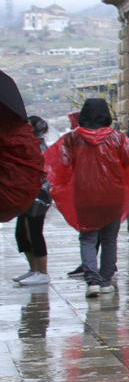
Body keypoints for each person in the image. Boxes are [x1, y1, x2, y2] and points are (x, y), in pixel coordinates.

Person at [45, 98, 129, 297]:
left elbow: (58, 165)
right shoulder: (118, 138)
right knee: (109, 239)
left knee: (88, 238)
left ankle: (92, 280)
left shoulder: (72, 139)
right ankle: (106, 281)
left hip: (85, 196)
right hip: (113, 196)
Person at [12, 116, 50, 287]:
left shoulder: (39, 146)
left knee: (33, 232)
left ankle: (42, 272)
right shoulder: (27, 145)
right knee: (21, 233)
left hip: (39, 193)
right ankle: (33, 269)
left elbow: (43, 170)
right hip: (26, 191)